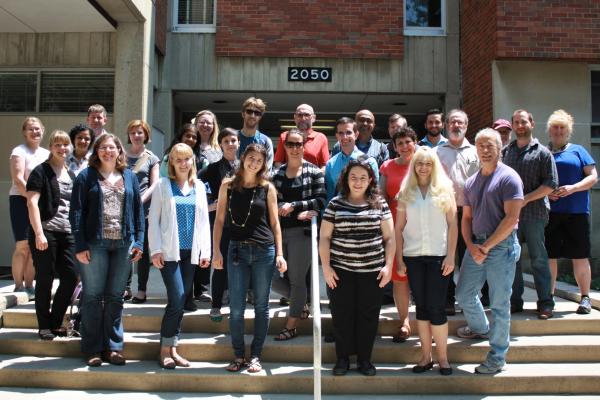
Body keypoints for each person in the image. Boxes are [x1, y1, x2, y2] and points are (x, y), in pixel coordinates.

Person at [69, 133, 144, 367]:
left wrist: (139, 242)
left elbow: (138, 212)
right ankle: (92, 348)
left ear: (119, 151)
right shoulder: (86, 177)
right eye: (103, 148)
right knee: (92, 297)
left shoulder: (129, 176)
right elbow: (77, 213)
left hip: (124, 244)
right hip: (94, 244)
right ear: (96, 152)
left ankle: (113, 347)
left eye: (112, 147)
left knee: (115, 297)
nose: (108, 151)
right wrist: (80, 245)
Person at [212, 144, 287, 373]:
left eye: (259, 160)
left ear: (264, 164)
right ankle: (238, 355)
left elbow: (275, 223)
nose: (254, 163)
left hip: (264, 251)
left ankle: (255, 355)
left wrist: (281, 253)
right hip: (236, 251)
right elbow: (219, 221)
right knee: (236, 307)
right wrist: (216, 251)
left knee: (262, 306)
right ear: (243, 158)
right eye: (251, 158)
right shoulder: (227, 185)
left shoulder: (267, 188)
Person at [456, 128, 523, 374]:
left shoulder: (509, 177)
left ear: (499, 149)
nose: (484, 150)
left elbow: (512, 218)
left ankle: (497, 356)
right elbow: (466, 219)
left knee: (499, 304)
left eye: (490, 146)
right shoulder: (472, 181)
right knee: (464, 294)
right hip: (477, 245)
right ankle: (481, 328)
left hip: (501, 247)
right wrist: (472, 246)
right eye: (481, 145)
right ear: (475, 149)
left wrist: (486, 246)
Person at [320, 159, 394, 376]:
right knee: (342, 316)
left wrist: (388, 266)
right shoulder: (335, 204)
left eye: (363, 177)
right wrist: (326, 267)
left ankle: (365, 360)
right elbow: (324, 237)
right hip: (341, 271)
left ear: (371, 179)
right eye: (353, 177)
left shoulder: (379, 204)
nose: (358, 181)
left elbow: (389, 238)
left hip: (372, 273)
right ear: (346, 179)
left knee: (368, 317)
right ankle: (342, 359)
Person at [148, 143, 211, 369]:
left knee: (182, 300)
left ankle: (172, 348)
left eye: (187, 159)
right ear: (172, 163)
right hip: (169, 252)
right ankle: (164, 350)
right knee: (177, 297)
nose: (183, 164)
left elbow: (204, 222)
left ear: (193, 162)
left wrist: (206, 251)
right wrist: (155, 250)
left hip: (190, 253)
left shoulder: (200, 187)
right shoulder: (163, 185)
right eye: (178, 159)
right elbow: (153, 220)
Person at [395, 147, 457, 375]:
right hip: (413, 257)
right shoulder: (406, 192)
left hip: (439, 257)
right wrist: (399, 259)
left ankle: (443, 359)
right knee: (421, 308)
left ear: (434, 166)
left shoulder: (444, 190)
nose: (423, 167)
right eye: (419, 163)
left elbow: (453, 226)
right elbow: (398, 228)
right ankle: (425, 357)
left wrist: (451, 255)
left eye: (428, 163)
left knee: (436, 308)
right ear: (414, 166)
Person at [502, 109, 558, 319]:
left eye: (523, 122)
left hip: (535, 215)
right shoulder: (506, 152)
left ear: (531, 124)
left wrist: (525, 199)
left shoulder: (542, 152)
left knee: (539, 260)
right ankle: (515, 301)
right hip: (510, 218)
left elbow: (551, 184)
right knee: (512, 260)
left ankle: (545, 303)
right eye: (516, 122)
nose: (520, 126)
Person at [271, 129, 326, 340]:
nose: (294, 148)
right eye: (290, 144)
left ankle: (292, 324)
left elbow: (321, 200)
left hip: (301, 233)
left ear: (304, 146)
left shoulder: (314, 172)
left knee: (296, 279)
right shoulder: (276, 174)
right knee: (272, 278)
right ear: (284, 147)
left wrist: (295, 205)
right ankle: (301, 301)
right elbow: (269, 201)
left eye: (298, 144)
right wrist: (279, 207)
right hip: (277, 232)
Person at [25, 130, 78, 340]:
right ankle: (44, 325)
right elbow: (31, 202)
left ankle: (56, 321)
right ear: (51, 147)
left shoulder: (71, 173)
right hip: (46, 231)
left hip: (67, 233)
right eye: (57, 144)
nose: (62, 148)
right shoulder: (41, 171)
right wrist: (39, 233)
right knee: (45, 279)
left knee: (71, 276)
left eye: (65, 144)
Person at [544, 110, 598, 314]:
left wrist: (573, 188)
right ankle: (547, 299)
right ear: (549, 130)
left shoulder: (579, 151)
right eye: (555, 127)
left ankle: (585, 298)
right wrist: (546, 194)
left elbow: (593, 177)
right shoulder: (542, 152)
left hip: (576, 213)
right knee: (550, 256)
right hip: (549, 214)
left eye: (562, 128)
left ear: (568, 131)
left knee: (580, 256)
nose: (558, 131)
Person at [435, 109, 480, 314]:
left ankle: (468, 299)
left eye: (460, 122)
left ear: (466, 126)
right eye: (452, 122)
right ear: (446, 125)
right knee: (446, 256)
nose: (456, 126)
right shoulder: (437, 152)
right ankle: (447, 299)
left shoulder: (476, 151)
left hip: (470, 213)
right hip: (444, 213)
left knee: (467, 257)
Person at [379, 127, 417, 343]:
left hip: (420, 228)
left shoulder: (424, 163)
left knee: (420, 278)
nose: (404, 146)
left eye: (407, 142)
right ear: (394, 147)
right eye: (399, 143)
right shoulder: (387, 166)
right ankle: (404, 321)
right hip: (395, 228)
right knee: (399, 277)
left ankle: (425, 322)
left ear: (415, 143)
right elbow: (382, 197)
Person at [199, 128, 240, 321]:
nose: (231, 144)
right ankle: (216, 306)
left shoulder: (246, 166)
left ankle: (235, 305)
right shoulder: (213, 168)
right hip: (221, 224)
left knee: (239, 267)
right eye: (226, 141)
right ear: (221, 144)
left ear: (239, 143)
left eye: (234, 140)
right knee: (220, 264)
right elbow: (194, 182)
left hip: (242, 225)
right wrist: (209, 204)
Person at [9, 117, 50, 298]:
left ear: (43, 131)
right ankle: (18, 287)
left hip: (39, 203)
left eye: (37, 129)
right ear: (25, 132)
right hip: (20, 200)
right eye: (31, 129)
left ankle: (29, 286)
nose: (35, 132)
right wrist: (32, 198)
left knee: (36, 247)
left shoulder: (47, 154)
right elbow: (18, 180)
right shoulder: (19, 151)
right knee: (23, 245)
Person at [126, 120, 160, 304]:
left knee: (142, 251)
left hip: (144, 210)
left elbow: (154, 183)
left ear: (146, 135)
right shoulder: (121, 156)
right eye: (133, 132)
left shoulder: (151, 158)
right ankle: (125, 288)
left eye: (140, 132)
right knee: (124, 249)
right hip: (122, 209)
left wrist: (140, 199)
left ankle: (141, 290)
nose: (136, 136)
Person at [190, 110, 222, 305]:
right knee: (190, 244)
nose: (205, 126)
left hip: (213, 205)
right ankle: (188, 287)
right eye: (202, 122)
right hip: (191, 201)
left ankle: (202, 288)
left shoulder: (217, 149)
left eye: (209, 123)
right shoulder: (188, 146)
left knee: (206, 245)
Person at [325, 117, 379, 203]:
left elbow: (374, 191)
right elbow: (329, 194)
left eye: (348, 132)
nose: (345, 137)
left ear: (356, 135)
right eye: (341, 133)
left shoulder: (369, 162)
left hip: (363, 211)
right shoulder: (330, 164)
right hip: (339, 212)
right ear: (337, 136)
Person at [273, 104, 330, 170]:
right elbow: (278, 163)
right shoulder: (285, 136)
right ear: (295, 117)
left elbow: (325, 166)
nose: (303, 118)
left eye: (307, 115)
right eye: (300, 115)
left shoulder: (321, 138)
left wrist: (316, 177)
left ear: (314, 118)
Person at [237, 97, 274, 170]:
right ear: (243, 114)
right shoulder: (232, 138)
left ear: (260, 117)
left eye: (257, 113)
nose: (252, 115)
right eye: (249, 111)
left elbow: (267, 170)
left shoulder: (266, 141)